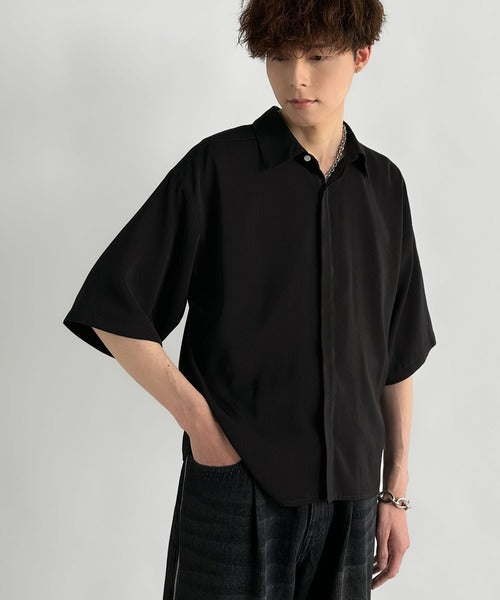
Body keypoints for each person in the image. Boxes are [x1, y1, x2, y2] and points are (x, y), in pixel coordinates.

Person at [62, 1, 437, 598]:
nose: (297, 78)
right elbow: (114, 309)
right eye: (280, 58)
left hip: (353, 499)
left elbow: (396, 352)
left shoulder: (385, 187)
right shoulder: (217, 169)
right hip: (237, 486)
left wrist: (395, 490)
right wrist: (201, 427)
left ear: (361, 56)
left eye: (317, 56)